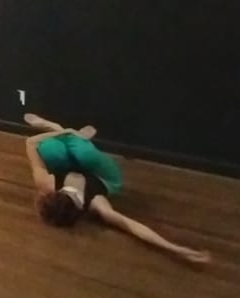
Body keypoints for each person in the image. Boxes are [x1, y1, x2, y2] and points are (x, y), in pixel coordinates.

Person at [22, 112, 211, 265]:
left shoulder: (46, 182)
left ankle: (54, 128)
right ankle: (75, 139)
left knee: (50, 149)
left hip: (71, 166)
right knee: (85, 154)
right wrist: (176, 249)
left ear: (55, 190)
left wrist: (64, 131)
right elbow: (131, 225)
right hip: (104, 177)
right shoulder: (97, 204)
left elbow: (30, 143)